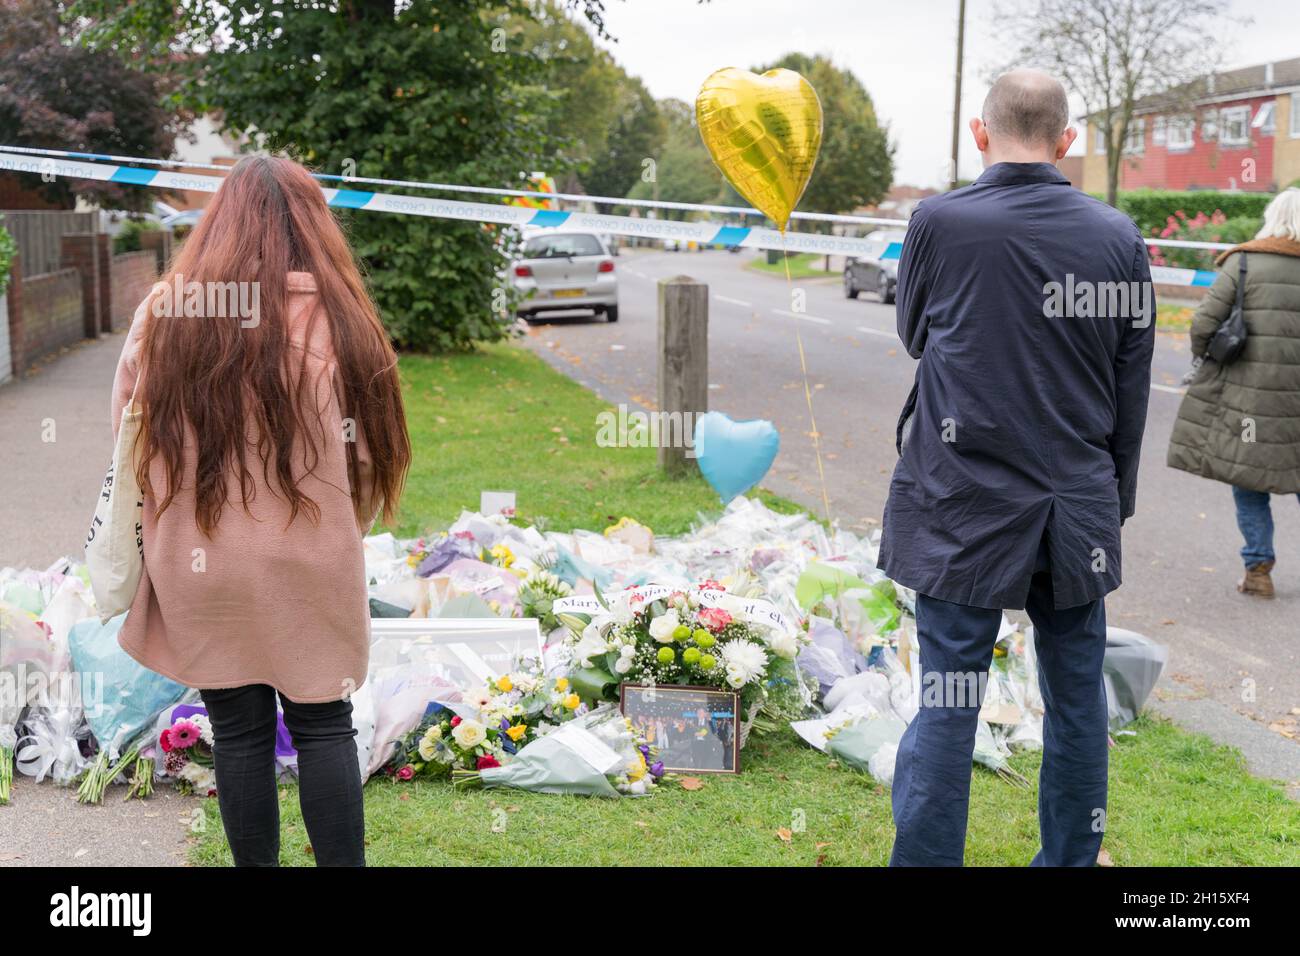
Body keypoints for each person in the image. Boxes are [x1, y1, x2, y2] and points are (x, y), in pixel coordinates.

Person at [878, 69, 1155, 866]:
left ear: (980, 132)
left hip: (961, 501)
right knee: (1076, 704)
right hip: (1076, 507)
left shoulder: (938, 220)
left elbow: (916, 334)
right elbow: (1130, 391)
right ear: (1068, 142)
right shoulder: (1118, 238)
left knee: (948, 697)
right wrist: (1112, 507)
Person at [110, 155, 411, 866]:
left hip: (200, 562)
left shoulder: (167, 314)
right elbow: (370, 459)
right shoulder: (343, 322)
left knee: (238, 732)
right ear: (314, 226)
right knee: (324, 724)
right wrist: (339, 528)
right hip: (311, 559)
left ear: (217, 224)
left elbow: (128, 442)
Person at [1167, 189, 1300, 598]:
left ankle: (1258, 569)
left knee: (1249, 480)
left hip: (1250, 407)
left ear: (1271, 216)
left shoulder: (1243, 263)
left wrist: (1204, 360)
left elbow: (1204, 324)